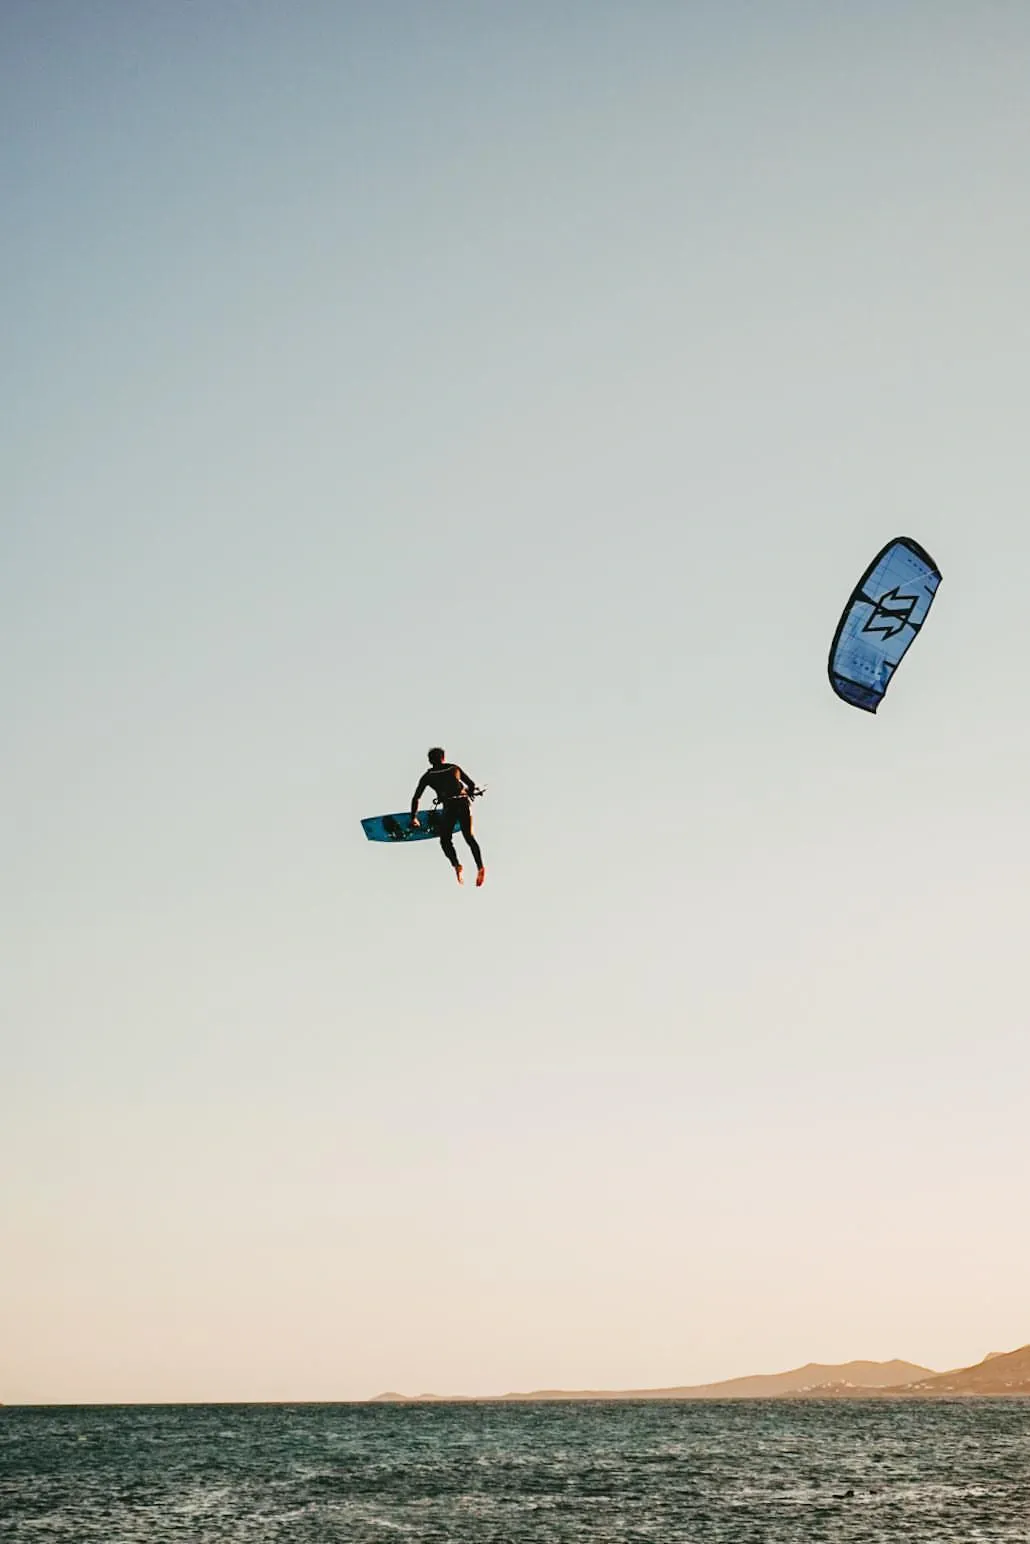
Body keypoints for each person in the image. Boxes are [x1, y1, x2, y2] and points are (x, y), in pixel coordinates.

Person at [411, 747, 485, 886]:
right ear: (443, 758)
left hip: (449, 807)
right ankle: (480, 867)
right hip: (463, 803)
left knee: (445, 840)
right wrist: (469, 792)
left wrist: (414, 817)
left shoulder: (428, 775)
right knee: (469, 837)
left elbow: (416, 798)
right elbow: (471, 784)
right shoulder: (454, 768)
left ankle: (457, 865)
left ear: (430, 761)